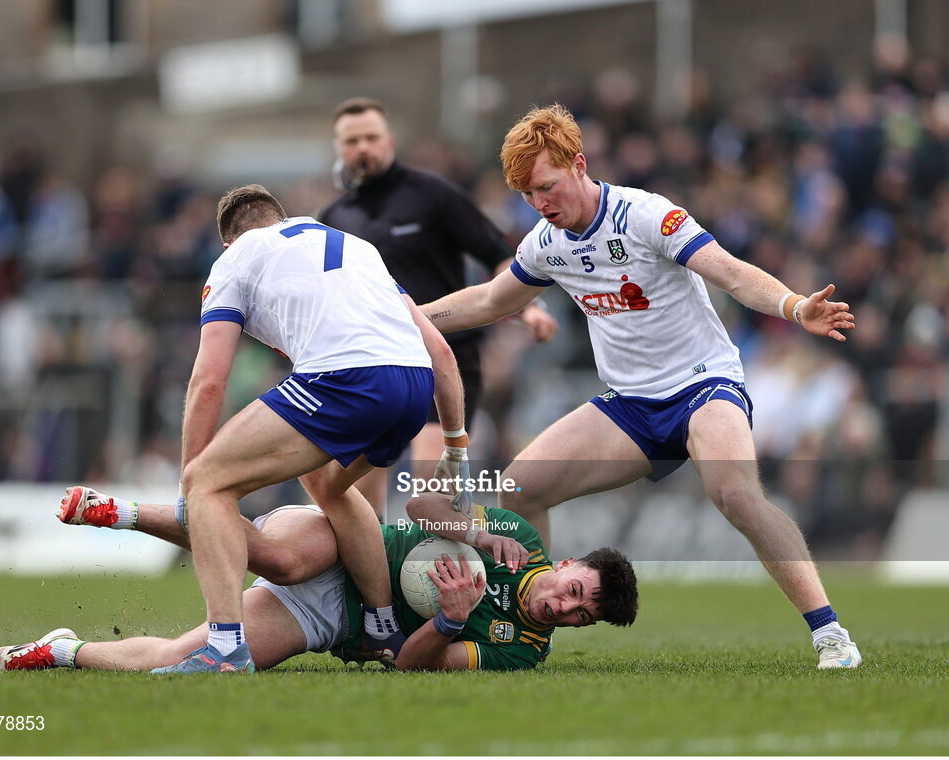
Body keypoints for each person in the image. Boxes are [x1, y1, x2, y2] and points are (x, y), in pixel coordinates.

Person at [419, 104, 862, 670]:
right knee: (520, 489)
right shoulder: (545, 242)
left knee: (734, 494)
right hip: (630, 406)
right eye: (529, 195)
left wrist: (794, 306)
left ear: (579, 164)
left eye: (548, 187)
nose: (541, 204)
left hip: (704, 386)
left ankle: (830, 636)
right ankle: (531, 628)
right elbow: (488, 300)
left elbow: (727, 270)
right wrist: (412, 318)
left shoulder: (648, 215)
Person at [155, 184, 471, 673]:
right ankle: (380, 627)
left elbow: (209, 379)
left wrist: (190, 477)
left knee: (208, 483)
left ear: (228, 241)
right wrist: (456, 446)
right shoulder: (356, 247)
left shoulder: (238, 257)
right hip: (412, 388)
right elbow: (442, 352)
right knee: (327, 483)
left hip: (346, 381)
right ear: (281, 217)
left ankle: (223, 650)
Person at [0, 486, 638, 673]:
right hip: (348, 546)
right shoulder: (517, 538)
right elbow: (418, 503)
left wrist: (451, 620)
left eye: (581, 616)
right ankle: (119, 512)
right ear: (571, 562)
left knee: (186, 659)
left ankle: (59, 650)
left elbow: (406, 665)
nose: (564, 606)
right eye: (575, 590)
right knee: (276, 557)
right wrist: (477, 534)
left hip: (334, 622)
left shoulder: (522, 651)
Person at [319, 98, 559, 517]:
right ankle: (369, 579)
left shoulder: (433, 195)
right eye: (352, 140)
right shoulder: (333, 218)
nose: (363, 148)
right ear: (339, 149)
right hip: (373, 365)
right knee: (356, 507)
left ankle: (447, 576)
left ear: (389, 141)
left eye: (371, 138)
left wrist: (528, 309)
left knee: (430, 501)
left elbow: (501, 257)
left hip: (445, 359)